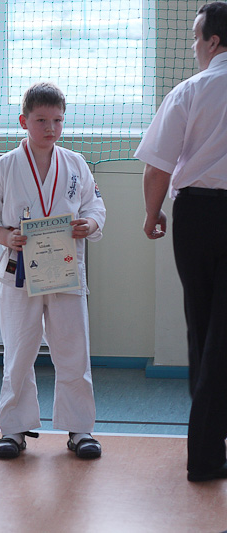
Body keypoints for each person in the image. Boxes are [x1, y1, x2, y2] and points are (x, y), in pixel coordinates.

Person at [0, 82, 106, 458]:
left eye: (57, 120)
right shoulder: (6, 165)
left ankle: (80, 429)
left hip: (65, 269)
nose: (50, 128)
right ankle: (14, 429)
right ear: (24, 121)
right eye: (41, 120)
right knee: (18, 351)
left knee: (73, 350)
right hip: (20, 272)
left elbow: (95, 206)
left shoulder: (75, 163)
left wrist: (89, 224)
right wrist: (5, 236)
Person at [136, 1, 227, 482]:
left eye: (196, 37)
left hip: (195, 216)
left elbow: (157, 166)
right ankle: (208, 447)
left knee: (202, 325)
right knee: (221, 336)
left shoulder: (190, 90)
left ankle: (207, 442)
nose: (193, 46)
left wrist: (152, 214)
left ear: (213, 41)